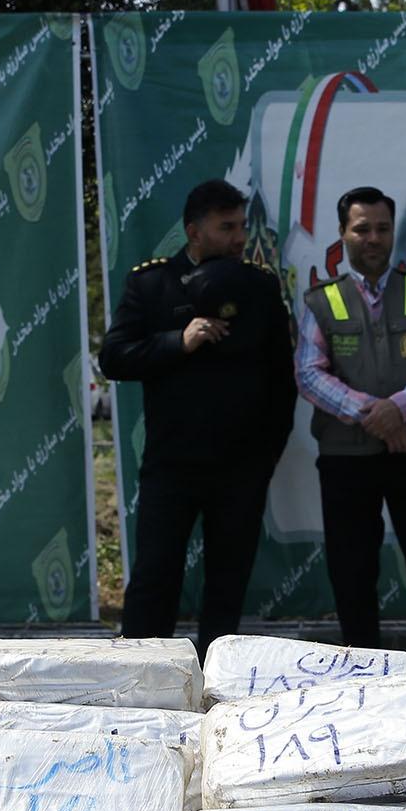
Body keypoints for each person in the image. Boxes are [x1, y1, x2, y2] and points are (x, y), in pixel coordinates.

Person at [99, 178, 296, 654]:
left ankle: (217, 686)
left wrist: (265, 457)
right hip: (173, 465)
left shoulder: (260, 286)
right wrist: (178, 342)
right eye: (226, 227)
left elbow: (282, 381)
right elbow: (114, 358)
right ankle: (139, 679)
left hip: (241, 467)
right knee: (154, 579)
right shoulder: (152, 283)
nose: (238, 237)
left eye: (241, 226)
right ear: (194, 232)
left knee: (228, 586)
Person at [295, 185, 406, 669]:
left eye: (382, 229)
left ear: (393, 232)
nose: (373, 238)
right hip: (345, 461)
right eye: (362, 229)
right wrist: (373, 414)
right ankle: (366, 682)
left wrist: (399, 407)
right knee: (352, 576)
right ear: (342, 233)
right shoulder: (321, 301)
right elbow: (308, 373)